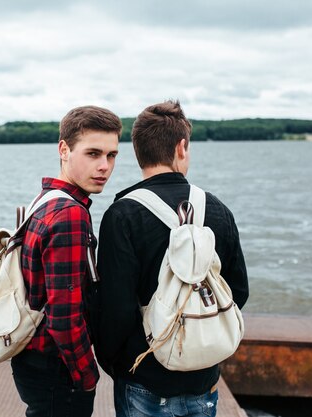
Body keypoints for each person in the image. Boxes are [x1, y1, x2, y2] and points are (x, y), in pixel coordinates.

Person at [94, 100, 249, 417]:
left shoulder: (122, 215)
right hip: (203, 380)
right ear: (182, 147)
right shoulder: (217, 210)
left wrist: (118, 364)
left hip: (144, 378)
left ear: (138, 153)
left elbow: (116, 309)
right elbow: (239, 292)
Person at [11, 105, 122, 417]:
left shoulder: (44, 200)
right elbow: (64, 316)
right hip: (56, 366)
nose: (104, 166)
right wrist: (88, 375)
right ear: (64, 149)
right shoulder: (70, 214)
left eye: (111, 155)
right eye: (93, 153)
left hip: (32, 359)